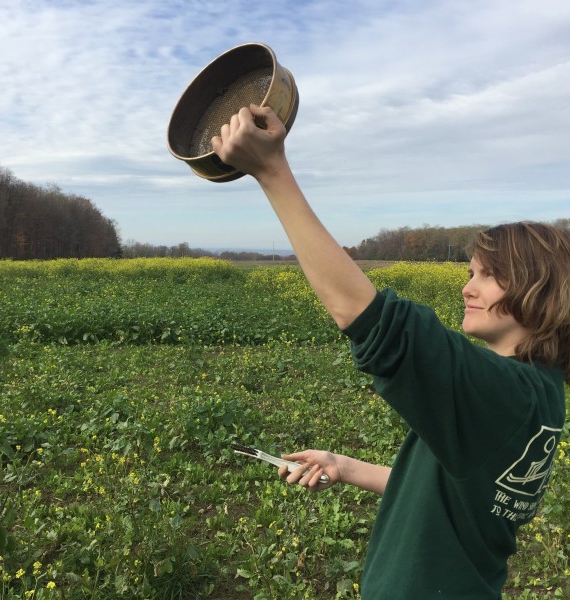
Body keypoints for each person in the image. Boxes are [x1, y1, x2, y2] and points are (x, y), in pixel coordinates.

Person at [211, 105, 569, 599]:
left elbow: (379, 325)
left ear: (539, 287)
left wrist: (272, 171)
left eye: (487, 274)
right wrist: (346, 466)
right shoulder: (542, 392)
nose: (468, 287)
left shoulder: (505, 393)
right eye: (469, 272)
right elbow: (457, 488)